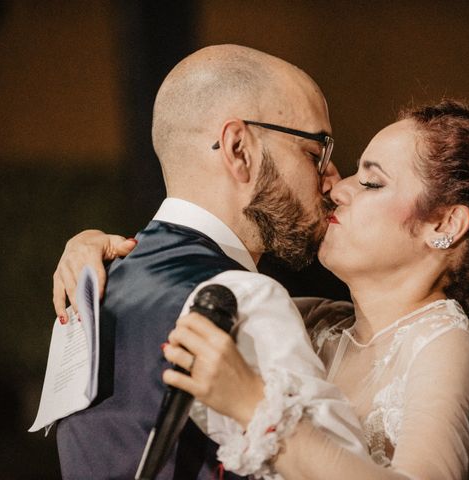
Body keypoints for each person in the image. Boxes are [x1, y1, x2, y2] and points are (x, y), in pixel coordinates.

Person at [58, 100, 469, 479]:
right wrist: (102, 249)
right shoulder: (316, 322)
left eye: (372, 183)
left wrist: (259, 408)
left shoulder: (445, 343)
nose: (336, 186)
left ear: (445, 224)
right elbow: (182, 293)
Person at [51, 44, 369, 480]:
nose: (331, 180)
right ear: (239, 149)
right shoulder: (241, 301)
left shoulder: (86, 290)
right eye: (315, 153)